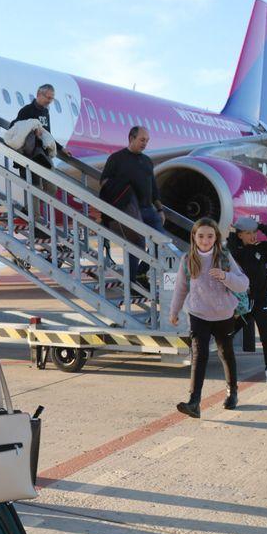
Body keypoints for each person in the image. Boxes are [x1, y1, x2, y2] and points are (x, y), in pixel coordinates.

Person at [169, 218, 249, 418]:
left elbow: (243, 284)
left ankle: (232, 393)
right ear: (194, 237)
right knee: (199, 355)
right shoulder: (188, 259)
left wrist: (224, 276)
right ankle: (194, 402)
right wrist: (174, 311)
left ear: (216, 237)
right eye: (201, 236)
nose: (205, 240)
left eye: (210, 236)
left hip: (223, 314)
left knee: (225, 352)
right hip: (198, 314)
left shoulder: (223, 257)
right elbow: (181, 288)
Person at [101, 126, 164, 281]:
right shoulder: (116, 158)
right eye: (142, 140)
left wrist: (160, 209)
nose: (145, 143)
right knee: (136, 245)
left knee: (162, 244)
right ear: (131, 138)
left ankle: (140, 271)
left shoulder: (147, 161)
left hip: (148, 209)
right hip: (128, 209)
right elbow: (104, 182)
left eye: (147, 141)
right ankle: (132, 282)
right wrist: (123, 185)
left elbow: (154, 188)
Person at [227, 217, 267, 384]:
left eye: (254, 233)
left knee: (266, 335)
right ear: (240, 235)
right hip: (242, 303)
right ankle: (229, 366)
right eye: (248, 233)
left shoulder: (264, 250)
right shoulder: (235, 252)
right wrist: (232, 232)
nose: (252, 236)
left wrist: (260, 226)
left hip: (261, 301)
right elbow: (230, 244)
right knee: (227, 334)